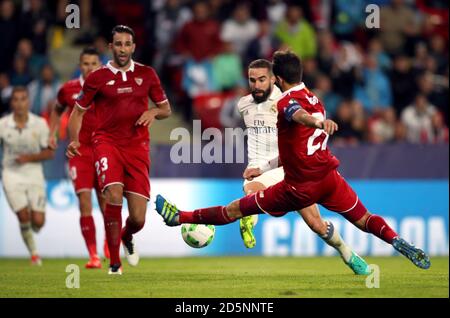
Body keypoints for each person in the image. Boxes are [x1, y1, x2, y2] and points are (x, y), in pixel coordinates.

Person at [155, 51, 430, 270]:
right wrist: (264, 165)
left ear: (276, 78)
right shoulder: (316, 99)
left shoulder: (286, 102)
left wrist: (313, 122)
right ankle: (395, 240)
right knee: (364, 219)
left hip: (297, 186)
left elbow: (297, 114)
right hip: (329, 178)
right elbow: (302, 122)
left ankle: (179, 217)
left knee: (235, 209)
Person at [237, 59, 369, 274]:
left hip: (289, 168)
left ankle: (348, 254)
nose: (257, 85)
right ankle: (249, 217)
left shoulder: (286, 100)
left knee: (317, 224)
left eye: (262, 79)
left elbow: (304, 117)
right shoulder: (243, 104)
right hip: (259, 169)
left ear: (274, 79)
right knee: (251, 188)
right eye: (252, 80)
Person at [66, 25, 172, 275]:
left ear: (133, 47)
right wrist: (74, 140)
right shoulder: (97, 77)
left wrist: (153, 111)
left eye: (127, 44)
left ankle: (126, 236)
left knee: (138, 219)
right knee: (112, 195)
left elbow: (166, 109)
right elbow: (77, 112)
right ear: (110, 47)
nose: (123, 49)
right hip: (106, 143)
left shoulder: (147, 74)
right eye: (118, 44)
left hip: (137, 147)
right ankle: (114, 262)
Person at [48, 47, 109, 269]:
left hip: (103, 150)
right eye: (85, 63)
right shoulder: (69, 89)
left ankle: (108, 246)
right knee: (84, 201)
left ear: (99, 65)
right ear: (79, 65)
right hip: (79, 152)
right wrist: (52, 132)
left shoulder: (107, 87)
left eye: (94, 63)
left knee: (105, 202)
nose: (89, 67)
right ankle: (93, 255)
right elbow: (57, 109)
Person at [0, 86, 54, 265]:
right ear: (11, 102)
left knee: (38, 221)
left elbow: (49, 152)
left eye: (23, 99)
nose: (19, 103)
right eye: (15, 99)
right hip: (11, 174)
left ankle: (30, 227)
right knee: (23, 216)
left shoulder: (39, 123)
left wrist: (28, 157)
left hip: (34, 174)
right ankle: (34, 254)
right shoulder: (3, 124)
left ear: (28, 102)